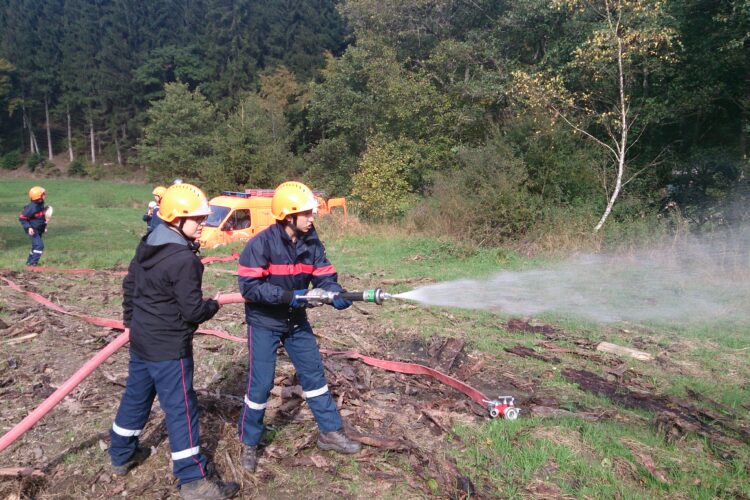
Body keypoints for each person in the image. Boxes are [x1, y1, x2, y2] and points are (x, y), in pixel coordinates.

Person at [110, 183, 239, 500]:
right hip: (169, 348)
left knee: (136, 396)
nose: (203, 224)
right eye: (197, 219)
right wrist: (215, 304)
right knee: (181, 409)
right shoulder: (184, 260)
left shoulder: (148, 243)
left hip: (142, 340)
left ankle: (121, 454)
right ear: (177, 219)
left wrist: (131, 322)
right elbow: (193, 311)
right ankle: (194, 481)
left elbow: (130, 286)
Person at [236, 181, 361, 473]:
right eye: (305, 213)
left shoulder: (311, 243)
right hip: (265, 322)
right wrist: (289, 296)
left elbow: (324, 275)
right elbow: (249, 288)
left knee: (314, 374)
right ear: (287, 215)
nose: (311, 218)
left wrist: (334, 293)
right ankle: (249, 442)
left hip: (295, 320)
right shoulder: (260, 244)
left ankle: (330, 432)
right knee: (261, 384)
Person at [18, 186, 48, 266]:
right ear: (38, 196)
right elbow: (22, 218)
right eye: (43, 194)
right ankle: (33, 263)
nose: (45, 195)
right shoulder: (32, 207)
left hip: (39, 229)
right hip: (32, 230)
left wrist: (44, 226)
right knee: (39, 246)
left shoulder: (40, 204)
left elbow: (40, 218)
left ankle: (29, 262)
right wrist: (29, 227)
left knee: (35, 246)